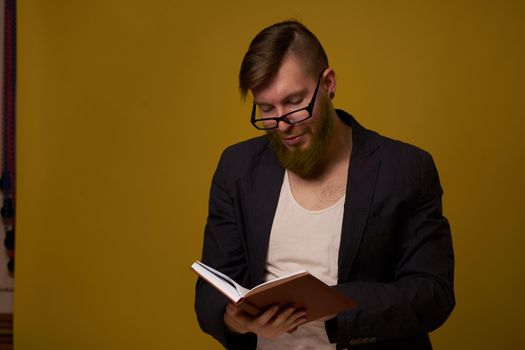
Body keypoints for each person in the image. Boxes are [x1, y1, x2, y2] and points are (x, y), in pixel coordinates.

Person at [195, 19, 454, 350]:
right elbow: (211, 294)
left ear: (328, 83)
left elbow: (433, 293)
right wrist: (234, 320)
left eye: (294, 102)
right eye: (266, 109)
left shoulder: (405, 168)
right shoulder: (237, 167)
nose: (282, 124)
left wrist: (331, 307)